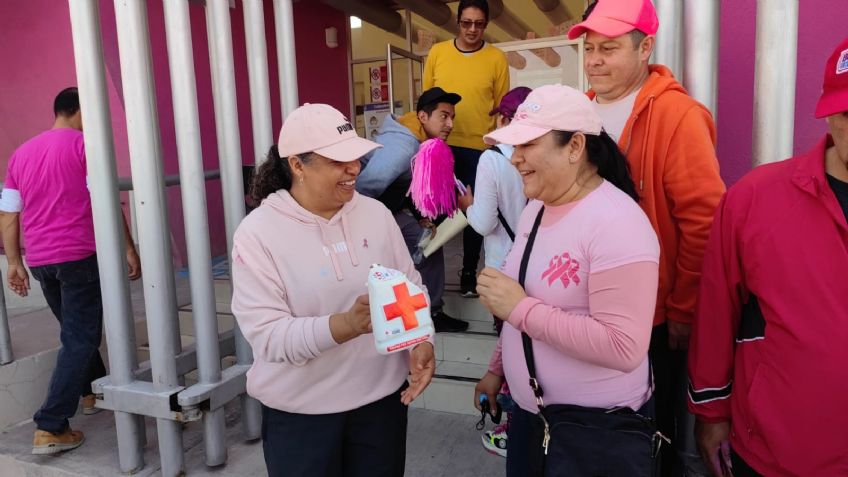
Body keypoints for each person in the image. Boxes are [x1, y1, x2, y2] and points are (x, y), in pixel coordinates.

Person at [231, 103, 436, 476]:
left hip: (381, 408)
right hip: (301, 418)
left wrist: (421, 340)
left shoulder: (376, 214)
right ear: (297, 165)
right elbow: (268, 336)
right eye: (338, 161)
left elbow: (410, 286)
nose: (354, 169)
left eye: (356, 158)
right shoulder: (258, 233)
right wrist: (345, 325)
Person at [568, 1, 726, 474]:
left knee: (650, 435)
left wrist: (682, 308)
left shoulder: (679, 115)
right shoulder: (580, 112)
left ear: (646, 48)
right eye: (589, 48)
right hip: (583, 303)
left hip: (650, 316)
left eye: (609, 48)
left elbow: (704, 220)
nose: (594, 59)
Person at [473, 84, 660, 477]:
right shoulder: (536, 208)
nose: (515, 159)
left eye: (527, 145)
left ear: (575, 147)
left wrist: (521, 310)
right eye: (513, 146)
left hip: (595, 434)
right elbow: (519, 292)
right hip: (531, 421)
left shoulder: (617, 222)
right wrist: (498, 368)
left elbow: (623, 346)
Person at [688, 37, 848, 477]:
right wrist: (711, 412)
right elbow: (717, 310)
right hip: (776, 451)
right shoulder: (757, 198)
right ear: (831, 112)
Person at [0, 87, 141, 455]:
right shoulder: (84, 147)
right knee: (80, 337)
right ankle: (51, 425)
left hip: (42, 260)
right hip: (78, 256)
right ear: (81, 112)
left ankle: (91, 391)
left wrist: (14, 261)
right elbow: (106, 201)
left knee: (74, 331)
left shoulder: (21, 154)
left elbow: (8, 214)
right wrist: (128, 246)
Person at [357, 86, 469, 332]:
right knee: (418, 247)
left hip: (389, 207)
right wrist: (366, 225)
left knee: (428, 242)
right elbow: (368, 185)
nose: (450, 123)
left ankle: (429, 309)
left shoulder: (422, 141)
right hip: (368, 209)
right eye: (443, 116)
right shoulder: (404, 144)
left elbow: (407, 185)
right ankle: (421, 311)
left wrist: (418, 217)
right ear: (422, 117)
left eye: (452, 117)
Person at [458, 86, 531, 457]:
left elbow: (485, 223)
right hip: (535, 265)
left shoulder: (492, 159)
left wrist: (468, 205)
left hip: (503, 269)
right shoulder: (537, 153)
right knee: (528, 347)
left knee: (509, 349)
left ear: (502, 119)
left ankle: (511, 428)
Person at [423, 0, 510, 297]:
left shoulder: (497, 58)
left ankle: (469, 272)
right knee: (432, 211)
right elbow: (427, 101)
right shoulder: (438, 53)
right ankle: (425, 273)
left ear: (486, 24)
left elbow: (501, 107)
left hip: (478, 148)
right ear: (458, 22)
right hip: (440, 147)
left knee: (474, 210)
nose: (472, 29)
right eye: (466, 23)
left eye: (479, 24)